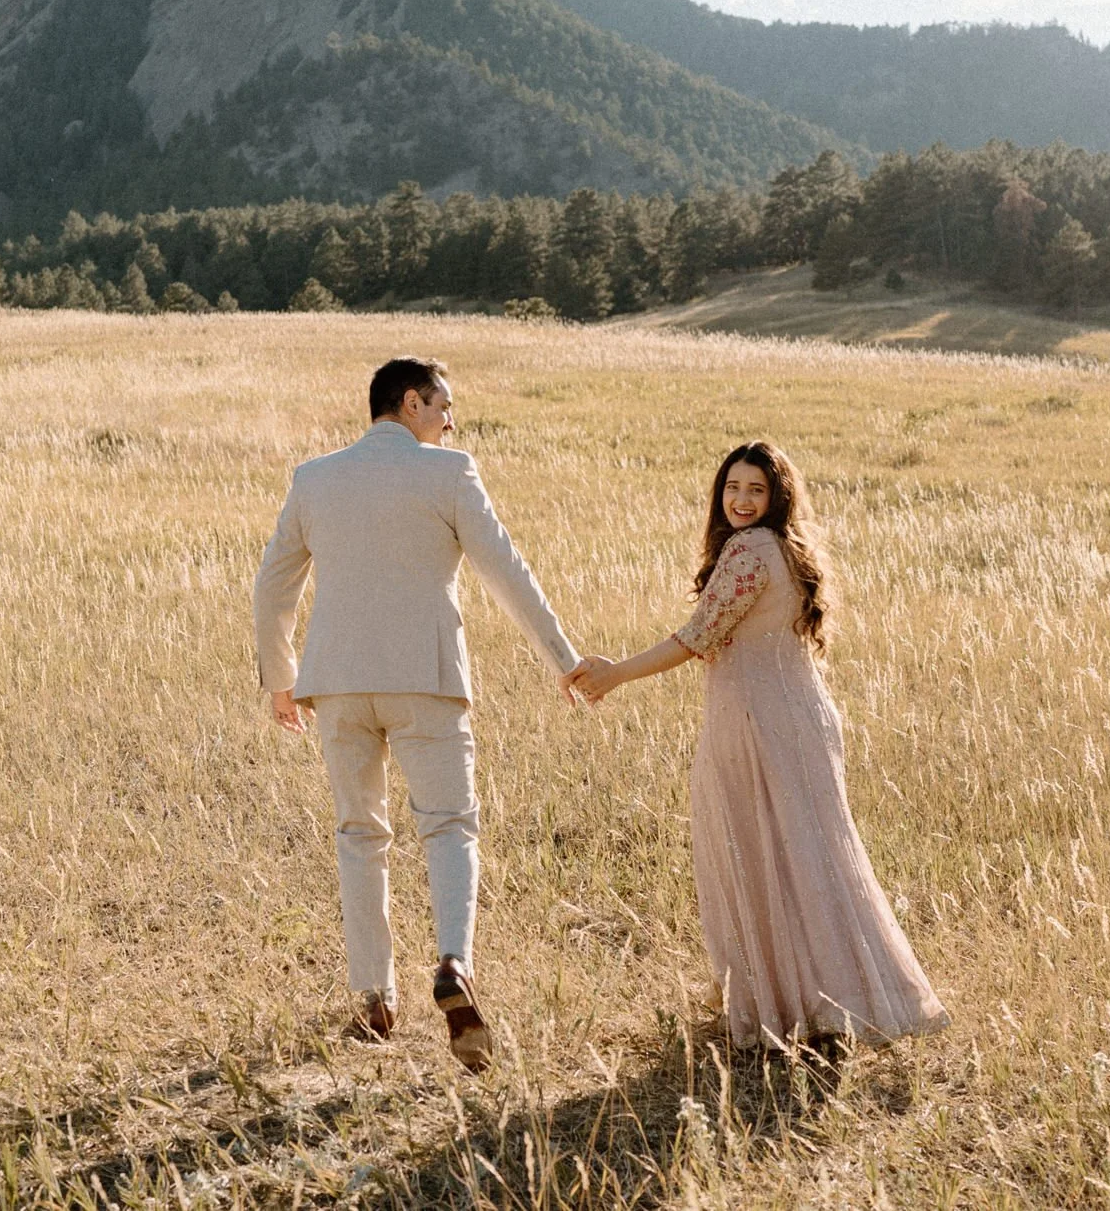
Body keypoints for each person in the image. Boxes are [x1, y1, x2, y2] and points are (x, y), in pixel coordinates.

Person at [253, 356, 591, 1072]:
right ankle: (454, 962)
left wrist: (282, 681)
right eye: (443, 405)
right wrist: (564, 658)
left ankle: (374, 997)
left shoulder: (315, 478)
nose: (449, 421)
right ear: (411, 402)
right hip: (426, 679)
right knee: (448, 824)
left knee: (358, 833)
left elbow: (271, 586)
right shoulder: (449, 472)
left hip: (337, 684)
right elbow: (508, 571)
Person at [569, 441, 947, 1052]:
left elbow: (697, 637)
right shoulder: (787, 550)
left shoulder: (749, 551)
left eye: (756, 491)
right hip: (798, 714)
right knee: (809, 858)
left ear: (777, 499)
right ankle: (821, 1002)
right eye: (732, 488)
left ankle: (787, 1007)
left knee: (761, 855)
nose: (741, 500)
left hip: (758, 721)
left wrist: (615, 674)